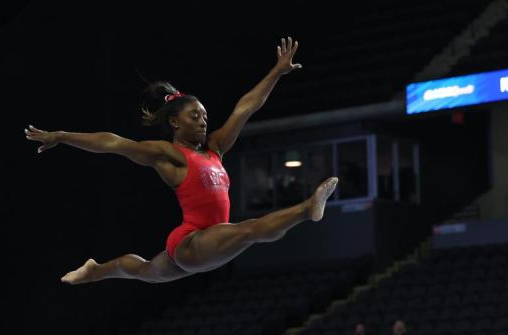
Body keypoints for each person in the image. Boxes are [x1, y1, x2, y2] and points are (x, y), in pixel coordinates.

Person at [25, 37, 339, 284]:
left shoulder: (215, 147)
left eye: (204, 115)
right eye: (195, 116)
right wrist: (62, 135)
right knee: (250, 230)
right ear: (175, 123)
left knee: (144, 270)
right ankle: (305, 209)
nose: (204, 121)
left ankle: (95, 271)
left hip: (208, 245)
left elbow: (245, 108)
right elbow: (114, 143)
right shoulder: (171, 156)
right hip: (191, 244)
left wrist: (276, 72)